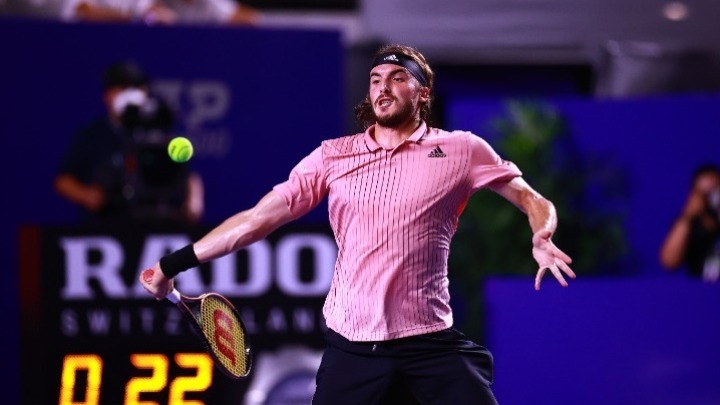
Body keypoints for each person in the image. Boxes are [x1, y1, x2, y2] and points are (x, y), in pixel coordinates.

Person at [140, 44, 575, 404]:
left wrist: (542, 233)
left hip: (429, 343)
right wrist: (171, 264)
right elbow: (256, 220)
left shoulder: (462, 150)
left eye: (397, 78)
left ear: (422, 93)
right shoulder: (332, 155)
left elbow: (531, 198)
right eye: (375, 80)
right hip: (354, 350)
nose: (383, 88)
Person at [54, 60, 204, 225]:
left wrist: (194, 199)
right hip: (106, 223)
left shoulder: (158, 131)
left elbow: (188, 173)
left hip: (157, 221)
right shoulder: (91, 135)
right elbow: (63, 181)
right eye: (122, 88)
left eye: (136, 88)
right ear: (107, 95)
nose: (130, 95)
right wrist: (87, 195)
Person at [660, 163, 720, 282]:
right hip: (701, 290)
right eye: (705, 194)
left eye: (715, 191)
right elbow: (669, 262)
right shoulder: (688, 225)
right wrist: (687, 217)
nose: (712, 199)